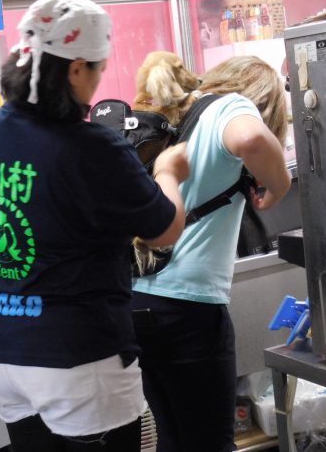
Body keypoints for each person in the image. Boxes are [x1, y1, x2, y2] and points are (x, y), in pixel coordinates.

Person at [0, 0, 189, 452]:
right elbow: (164, 229)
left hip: (1, 352)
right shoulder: (92, 146)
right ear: (77, 68)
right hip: (76, 357)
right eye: (98, 70)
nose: (98, 82)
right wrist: (168, 173)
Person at [131, 55, 292, 452]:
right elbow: (251, 138)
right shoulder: (230, 106)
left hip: (135, 302)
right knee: (210, 443)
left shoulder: (173, 115)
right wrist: (280, 183)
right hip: (188, 309)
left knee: (172, 437)